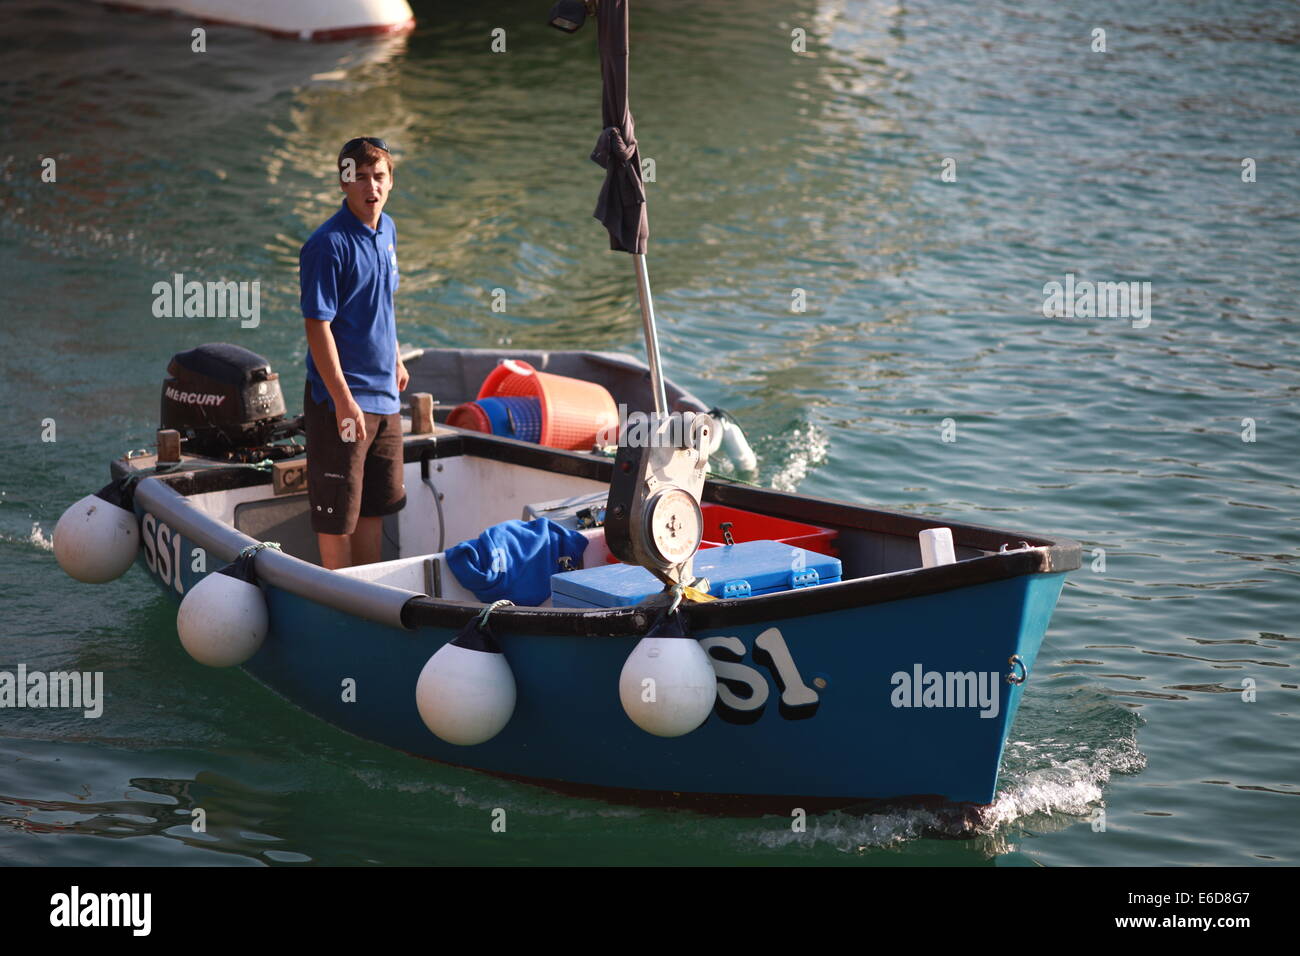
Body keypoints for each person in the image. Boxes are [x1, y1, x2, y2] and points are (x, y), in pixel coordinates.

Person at [300, 136, 409, 569]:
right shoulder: (326, 245)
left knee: (373, 512)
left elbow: (383, 301)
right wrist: (344, 400)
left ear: (391, 181)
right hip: (341, 403)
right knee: (337, 519)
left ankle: (369, 597)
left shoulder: (388, 231)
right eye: (360, 178)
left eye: (379, 177)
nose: (371, 187)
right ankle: (341, 608)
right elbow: (317, 326)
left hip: (386, 397)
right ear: (343, 183)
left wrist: (396, 357)